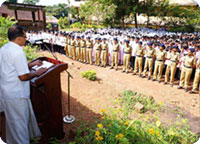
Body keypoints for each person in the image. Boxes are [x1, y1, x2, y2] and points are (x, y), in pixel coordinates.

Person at [0, 25, 47, 144]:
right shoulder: (18, 51)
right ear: (19, 38)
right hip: (16, 95)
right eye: (25, 37)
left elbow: (11, 66)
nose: (26, 39)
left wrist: (31, 65)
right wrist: (37, 73)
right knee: (20, 127)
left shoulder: (4, 48)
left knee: (12, 124)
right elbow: (23, 76)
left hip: (6, 93)